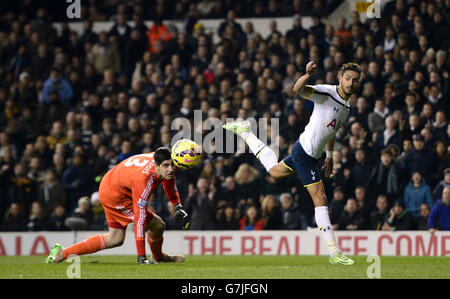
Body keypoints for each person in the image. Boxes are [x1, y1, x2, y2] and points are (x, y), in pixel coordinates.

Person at [224, 61, 361, 265]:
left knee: (274, 171)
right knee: (320, 197)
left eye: (355, 80)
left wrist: (330, 156)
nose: (350, 83)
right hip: (304, 152)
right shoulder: (327, 93)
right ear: (340, 78)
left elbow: (332, 131)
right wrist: (307, 74)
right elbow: (297, 89)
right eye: (347, 78)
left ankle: (246, 132)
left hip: (312, 155)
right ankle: (334, 252)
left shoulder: (346, 107)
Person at [45, 147, 189, 265]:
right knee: (157, 224)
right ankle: (158, 258)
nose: (170, 169)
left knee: (115, 238)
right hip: (115, 194)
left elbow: (169, 184)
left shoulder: (162, 159)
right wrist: (141, 257)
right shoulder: (144, 180)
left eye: (172, 165)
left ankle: (62, 253)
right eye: (166, 166)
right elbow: (140, 220)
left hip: (112, 183)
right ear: (157, 165)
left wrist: (177, 206)